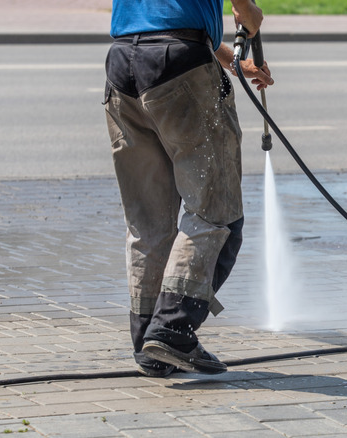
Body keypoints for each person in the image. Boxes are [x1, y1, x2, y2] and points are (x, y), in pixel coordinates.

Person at [103, 0, 273, 377]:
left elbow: (159, 19)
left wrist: (231, 59)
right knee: (216, 212)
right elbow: (178, 27)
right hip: (181, 64)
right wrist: (247, 10)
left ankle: (149, 340)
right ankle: (172, 331)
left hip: (123, 66)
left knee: (149, 221)